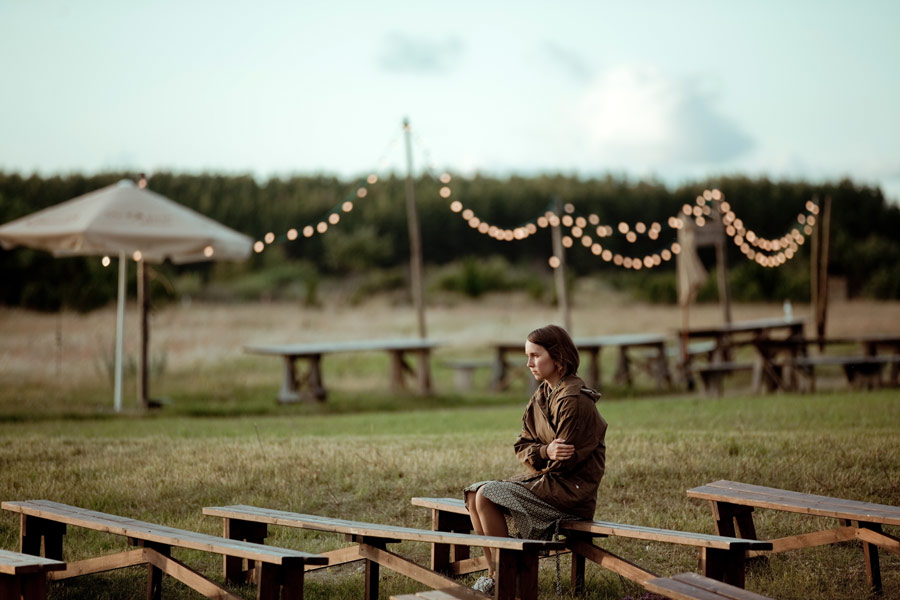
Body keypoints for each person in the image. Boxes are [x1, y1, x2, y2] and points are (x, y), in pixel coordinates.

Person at [464, 324, 607, 595]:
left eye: (535, 355)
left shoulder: (574, 400)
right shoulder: (542, 394)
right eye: (527, 356)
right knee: (473, 494)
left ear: (559, 357)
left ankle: (504, 576)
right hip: (547, 483)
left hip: (571, 493)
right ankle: (496, 572)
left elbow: (562, 463)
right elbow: (522, 445)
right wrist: (544, 451)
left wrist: (547, 454)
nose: (528, 363)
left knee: (487, 495)